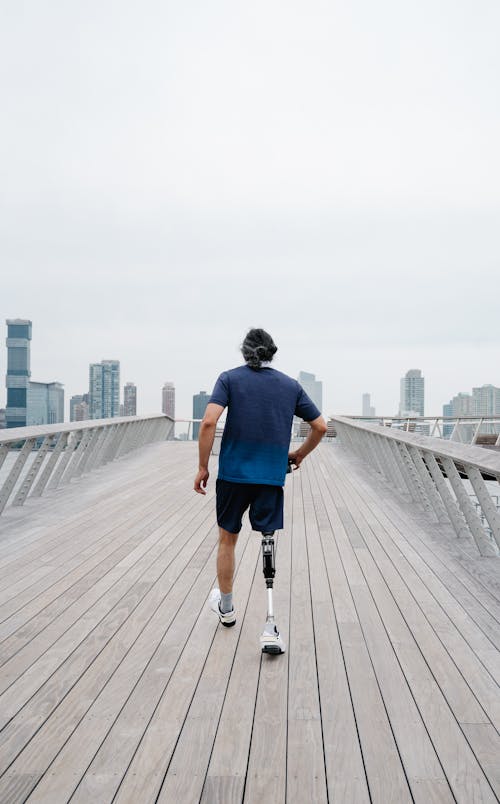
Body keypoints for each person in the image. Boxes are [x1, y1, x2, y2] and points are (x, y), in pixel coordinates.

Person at [193, 328, 327, 644]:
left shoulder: (229, 379)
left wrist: (202, 466)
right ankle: (270, 622)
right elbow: (320, 426)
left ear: (245, 351)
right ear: (272, 352)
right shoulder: (290, 386)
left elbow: (209, 422)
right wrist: (298, 455)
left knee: (227, 539)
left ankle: (226, 609)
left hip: (232, 476)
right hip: (270, 477)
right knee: (267, 539)